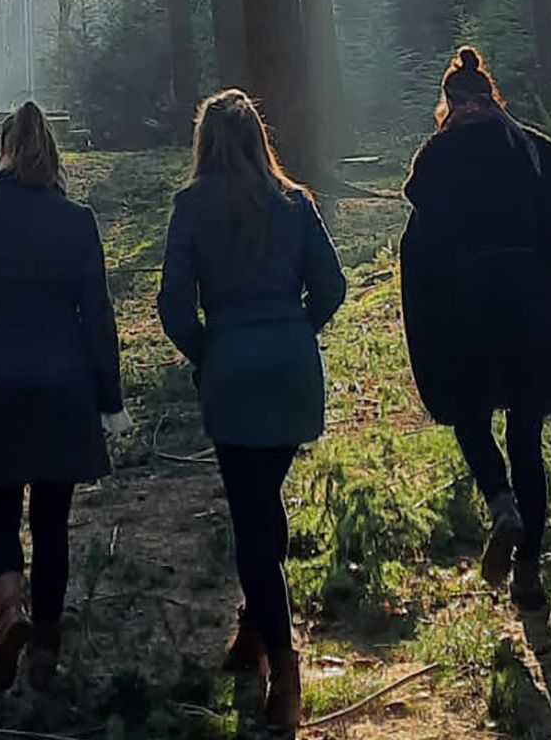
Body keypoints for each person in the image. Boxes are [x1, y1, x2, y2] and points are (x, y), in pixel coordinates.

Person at [0, 101, 132, 694]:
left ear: (3, 153)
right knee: (54, 521)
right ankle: (46, 650)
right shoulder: (77, 221)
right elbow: (99, 319)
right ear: (53, 157)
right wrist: (110, 398)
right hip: (64, 388)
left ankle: (9, 610)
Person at [159, 90, 347, 733]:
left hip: (234, 373)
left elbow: (175, 309)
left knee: (252, 522)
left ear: (204, 143)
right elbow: (333, 286)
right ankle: (251, 634)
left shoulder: (191, 207)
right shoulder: (296, 203)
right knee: (264, 503)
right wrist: (295, 329)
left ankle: (285, 669)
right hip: (292, 369)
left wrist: (209, 351)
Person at [400, 47, 551, 612]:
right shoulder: (534, 152)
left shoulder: (436, 159)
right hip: (529, 307)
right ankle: (529, 572)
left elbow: (420, 248)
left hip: (465, 310)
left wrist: (425, 318)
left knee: (469, 416)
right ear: (491, 96)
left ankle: (501, 505)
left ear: (448, 104)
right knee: (527, 434)